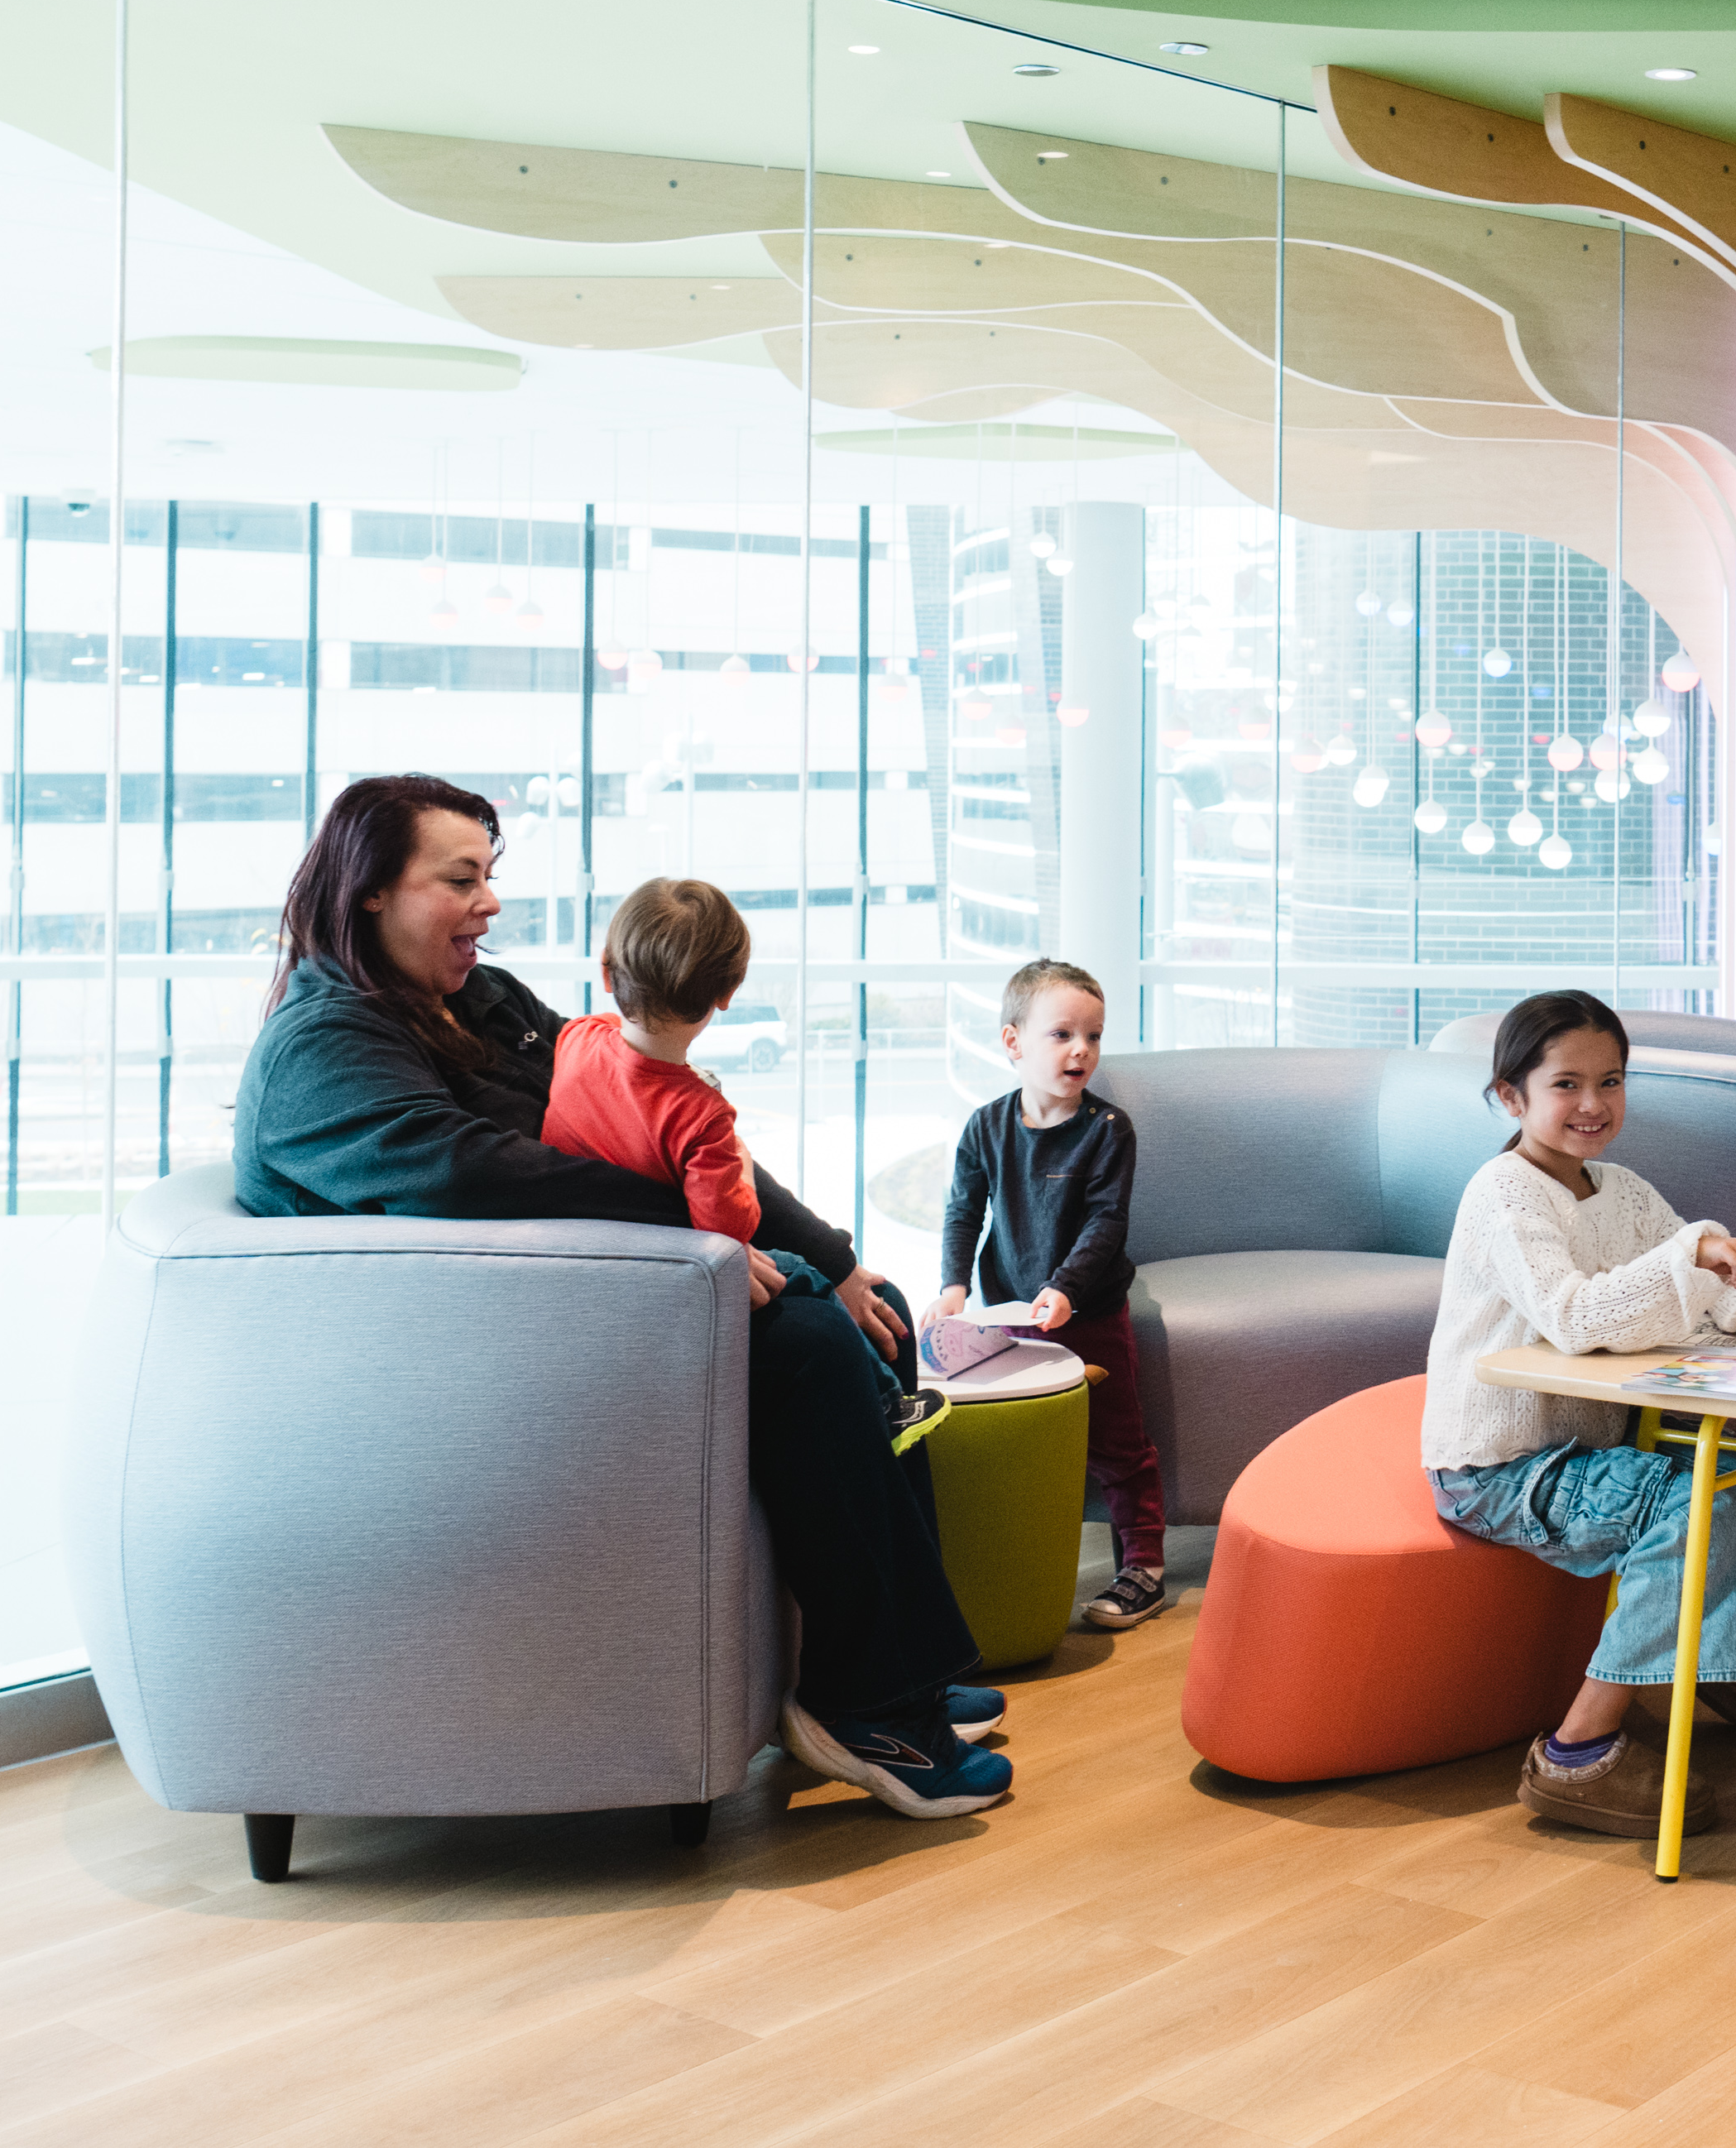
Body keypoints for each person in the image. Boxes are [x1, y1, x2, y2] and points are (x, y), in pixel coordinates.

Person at [231, 774, 1009, 1819]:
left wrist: (831, 1248)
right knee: (812, 1344)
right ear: (372, 890)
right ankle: (865, 1704)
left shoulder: (482, 999)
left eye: (489, 878)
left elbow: (655, 1113)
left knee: (875, 1313)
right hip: (466, 1379)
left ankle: (896, 1663)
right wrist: (696, 1233)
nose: (490, 905)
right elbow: (476, 1176)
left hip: (580, 1312)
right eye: (460, 880)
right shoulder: (326, 1045)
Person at [1421, 990, 1736, 1840]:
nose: (1593, 1105)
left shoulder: (1625, 1191)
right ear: (1510, 1097)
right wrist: (1692, 1256)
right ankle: (1578, 1751)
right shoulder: (1505, 1195)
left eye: (1611, 1081)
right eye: (1566, 1084)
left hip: (1587, 1444)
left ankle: (1708, 1656)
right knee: (1698, 1507)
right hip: (1503, 1468)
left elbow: (1690, 1297)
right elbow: (1575, 1316)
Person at [544, 874, 947, 1428]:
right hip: (683, 1278)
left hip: (596, 1268)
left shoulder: (577, 1039)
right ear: (727, 994)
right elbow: (728, 1231)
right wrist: (738, 1162)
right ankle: (883, 1402)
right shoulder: (702, 1114)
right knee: (804, 1273)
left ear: (608, 972)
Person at [931, 958, 1169, 1634]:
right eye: (1062, 1034)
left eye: (1093, 1036)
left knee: (1119, 1442)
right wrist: (953, 1286)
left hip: (1087, 1311)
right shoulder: (985, 1127)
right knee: (1022, 1443)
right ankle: (1013, 1567)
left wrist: (1065, 1289)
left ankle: (1145, 1566)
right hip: (1009, 1317)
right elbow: (962, 1211)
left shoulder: (1107, 1128)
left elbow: (1106, 1222)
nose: (1081, 1050)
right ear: (1012, 1042)